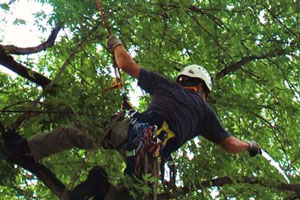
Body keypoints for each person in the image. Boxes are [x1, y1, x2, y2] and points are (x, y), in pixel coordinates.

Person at [1, 36, 261, 199]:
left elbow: (125, 63)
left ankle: (23, 149)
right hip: (151, 160)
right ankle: (102, 189)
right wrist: (251, 145)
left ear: (183, 80)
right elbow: (230, 145)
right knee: (132, 194)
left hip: (132, 132)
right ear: (202, 88)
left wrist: (115, 43)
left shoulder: (166, 87)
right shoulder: (206, 114)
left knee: (76, 133)